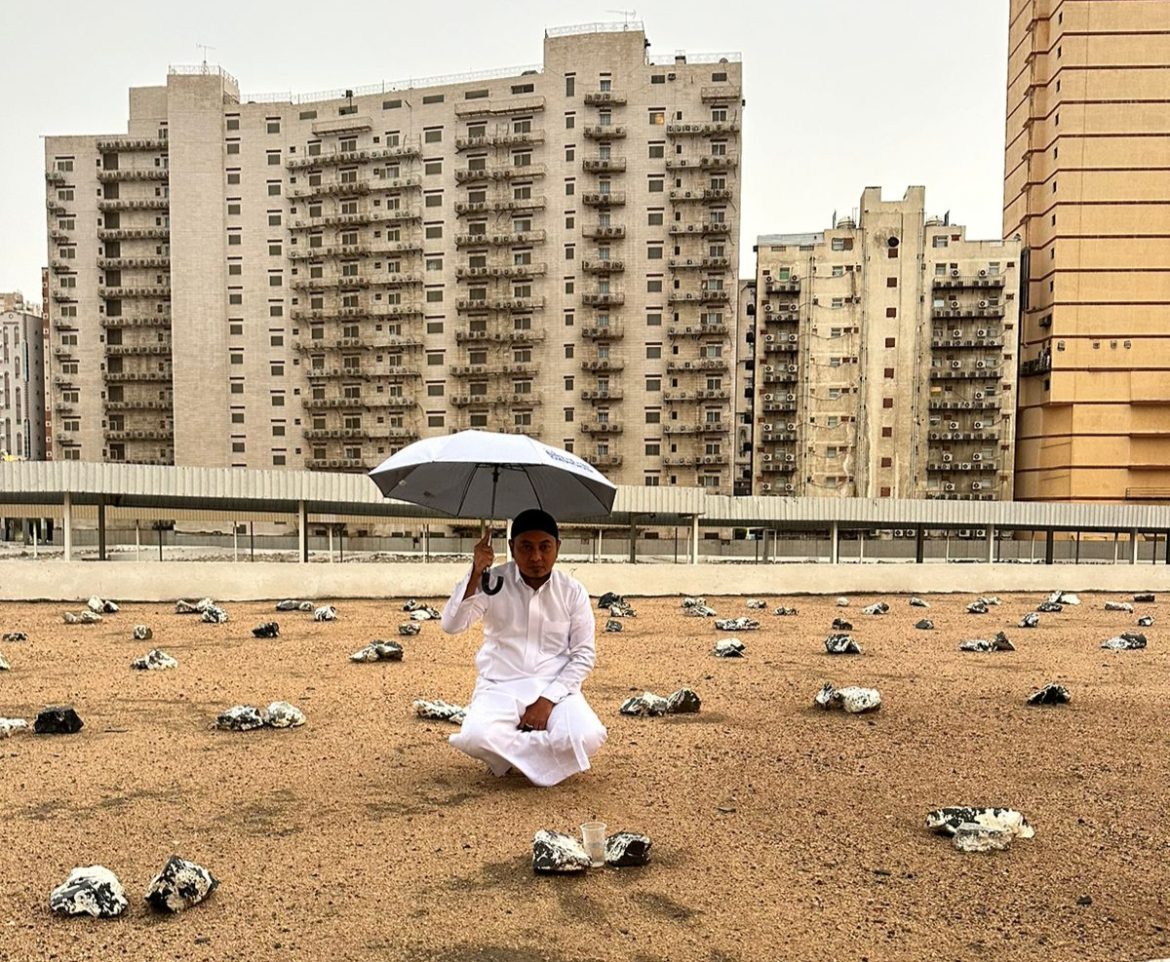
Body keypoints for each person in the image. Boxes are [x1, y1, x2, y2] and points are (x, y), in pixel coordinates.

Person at [440, 508, 607, 786]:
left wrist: (547, 701)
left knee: (588, 735)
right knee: (474, 737)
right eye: (526, 547)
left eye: (545, 547)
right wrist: (475, 572)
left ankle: (507, 759)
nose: (536, 557)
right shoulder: (492, 581)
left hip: (555, 688)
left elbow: (583, 655)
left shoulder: (572, 591)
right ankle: (539, 757)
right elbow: (452, 624)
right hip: (500, 686)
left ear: (558, 547)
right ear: (511, 548)